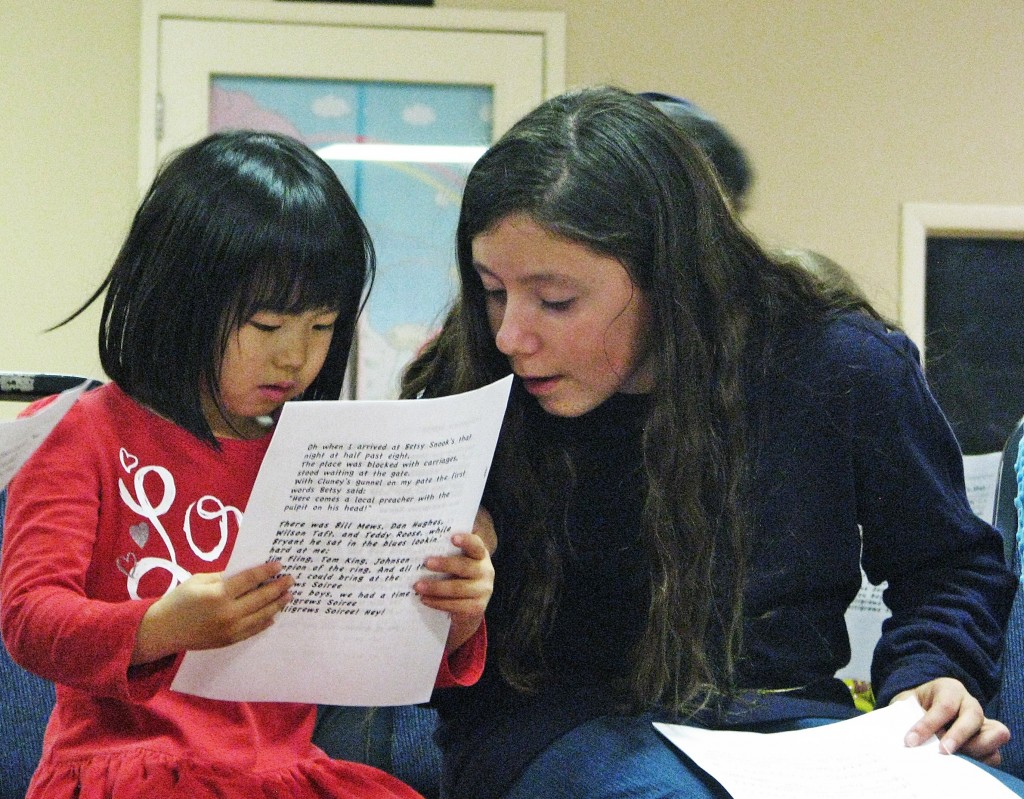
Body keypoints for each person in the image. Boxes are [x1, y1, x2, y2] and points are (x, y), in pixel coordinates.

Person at [399, 86, 1023, 798]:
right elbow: (411, 654)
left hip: (793, 727)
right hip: (556, 728)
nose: (512, 335)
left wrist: (931, 674)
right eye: (491, 290)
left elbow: (947, 565)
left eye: (556, 300)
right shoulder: (472, 381)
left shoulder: (840, 362)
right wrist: (454, 599)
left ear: (669, 275)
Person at [0, 130, 493, 799]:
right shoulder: (83, 430)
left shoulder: (322, 456)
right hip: (125, 769)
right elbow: (30, 619)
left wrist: (456, 613)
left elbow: (369, 661)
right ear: (179, 301)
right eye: (267, 326)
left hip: (278, 776)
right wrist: (158, 626)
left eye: (322, 328)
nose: (296, 356)